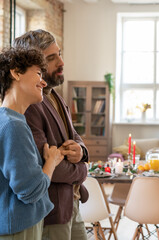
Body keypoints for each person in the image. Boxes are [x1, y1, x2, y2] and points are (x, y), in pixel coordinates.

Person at [12, 30, 89, 240]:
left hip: (71, 202)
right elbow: (43, 166)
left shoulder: (54, 94)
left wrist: (80, 151)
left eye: (60, 54)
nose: (61, 62)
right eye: (51, 58)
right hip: (51, 212)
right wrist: (82, 169)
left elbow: (74, 135)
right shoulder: (28, 105)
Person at [0, 47, 64, 239]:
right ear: (16, 72)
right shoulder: (13, 126)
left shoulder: (10, 120)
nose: (43, 82)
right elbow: (31, 191)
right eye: (38, 73)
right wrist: (51, 161)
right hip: (19, 228)